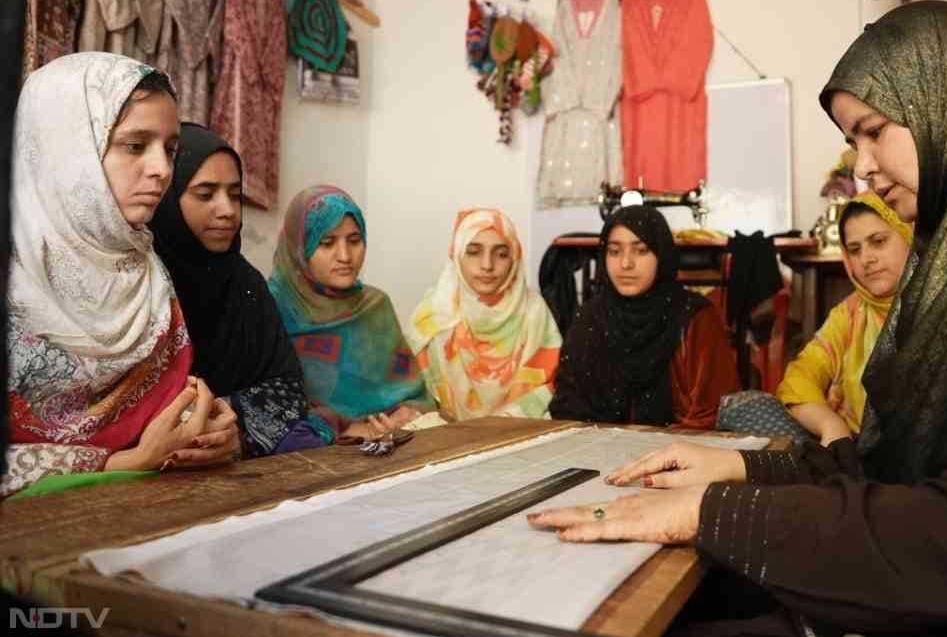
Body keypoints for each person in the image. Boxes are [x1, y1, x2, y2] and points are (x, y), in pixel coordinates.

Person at [529, 1, 947, 636]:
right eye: (854, 140)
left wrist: (712, 512)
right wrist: (741, 472)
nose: (862, 167)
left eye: (875, 130)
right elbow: (902, 462)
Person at [4, 53, 240, 498]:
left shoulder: (145, 274)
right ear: (66, 149)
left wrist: (208, 430)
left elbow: (168, 414)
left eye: (169, 149)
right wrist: (124, 462)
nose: (162, 169)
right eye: (135, 146)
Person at [148, 123, 326, 457]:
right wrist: (193, 421)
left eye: (234, 194)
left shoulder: (245, 284)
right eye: (205, 194)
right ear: (166, 198)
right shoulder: (138, 286)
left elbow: (287, 388)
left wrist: (231, 431)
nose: (228, 210)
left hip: (236, 459)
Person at [719, 192, 912, 445]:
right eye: (854, 250)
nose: (866, 259)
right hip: (852, 445)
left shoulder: (942, 306)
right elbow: (801, 376)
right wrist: (831, 425)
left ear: (910, 237)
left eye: (878, 241)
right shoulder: (851, 312)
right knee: (741, 407)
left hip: (922, 456)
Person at [268, 185, 433, 444]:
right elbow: (264, 411)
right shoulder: (271, 308)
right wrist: (349, 428)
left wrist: (405, 414)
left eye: (354, 241)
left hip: (388, 445)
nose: (345, 256)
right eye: (327, 243)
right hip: (307, 457)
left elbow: (413, 392)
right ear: (299, 248)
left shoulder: (375, 306)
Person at [549, 205, 739, 428]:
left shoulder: (695, 318)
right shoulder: (590, 318)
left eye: (641, 250)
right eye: (614, 251)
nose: (626, 264)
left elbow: (715, 414)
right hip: (595, 451)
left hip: (683, 454)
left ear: (662, 254)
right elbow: (567, 408)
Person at [403, 208, 562, 420]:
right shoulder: (432, 313)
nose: (487, 265)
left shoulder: (534, 311)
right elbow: (409, 392)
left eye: (501, 254)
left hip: (520, 434)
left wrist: (501, 426)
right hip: (442, 437)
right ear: (457, 255)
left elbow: (548, 386)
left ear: (515, 258)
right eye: (474, 252)